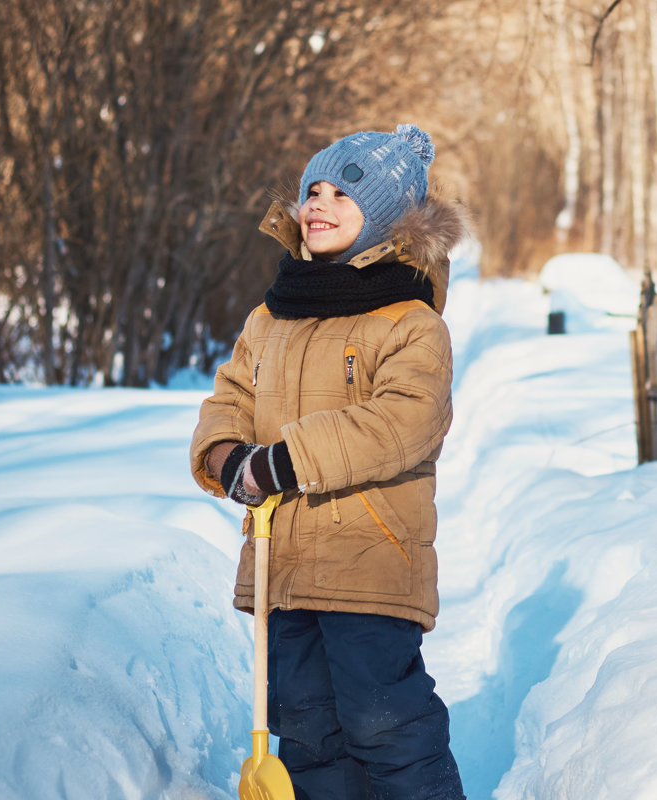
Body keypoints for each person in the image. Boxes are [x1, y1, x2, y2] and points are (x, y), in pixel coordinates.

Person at [189, 124, 468, 800]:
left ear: (386, 218)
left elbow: (404, 421)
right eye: (313, 189)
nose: (317, 202)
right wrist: (227, 457)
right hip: (282, 565)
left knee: (387, 728)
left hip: (369, 566)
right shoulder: (271, 317)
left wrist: (285, 462)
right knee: (307, 734)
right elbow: (230, 395)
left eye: (343, 193)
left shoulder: (409, 322)